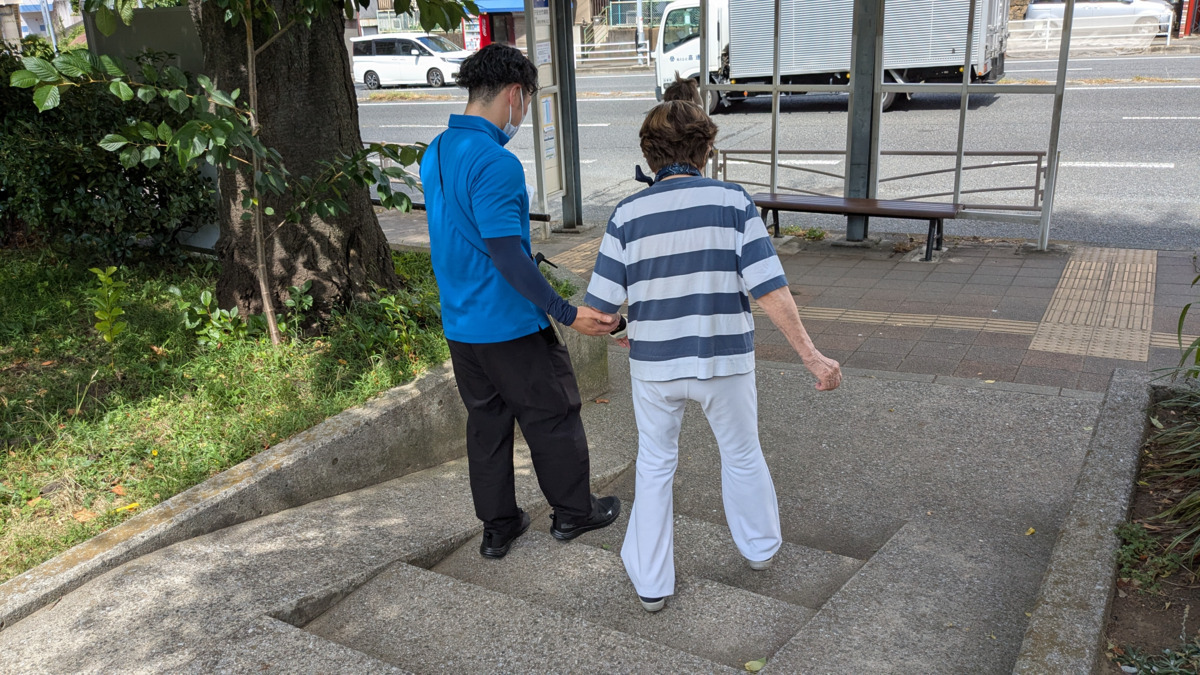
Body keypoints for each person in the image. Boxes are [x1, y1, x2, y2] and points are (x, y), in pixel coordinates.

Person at [585, 100, 842, 612]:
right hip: (725, 360)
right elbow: (770, 290)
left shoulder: (626, 215)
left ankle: (653, 584)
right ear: (705, 149)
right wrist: (812, 356)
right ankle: (760, 550)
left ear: (650, 154)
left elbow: (599, 313)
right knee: (742, 452)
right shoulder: (733, 204)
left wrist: (622, 328)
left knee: (656, 465)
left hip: (656, 366)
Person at [421, 44, 621, 560]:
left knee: (486, 426)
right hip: (509, 325)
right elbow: (509, 258)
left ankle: (499, 526)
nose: (525, 113)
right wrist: (567, 312)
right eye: (528, 101)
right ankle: (574, 513)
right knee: (552, 415)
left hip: (461, 325)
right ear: (514, 93)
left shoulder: (436, 151)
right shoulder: (498, 164)